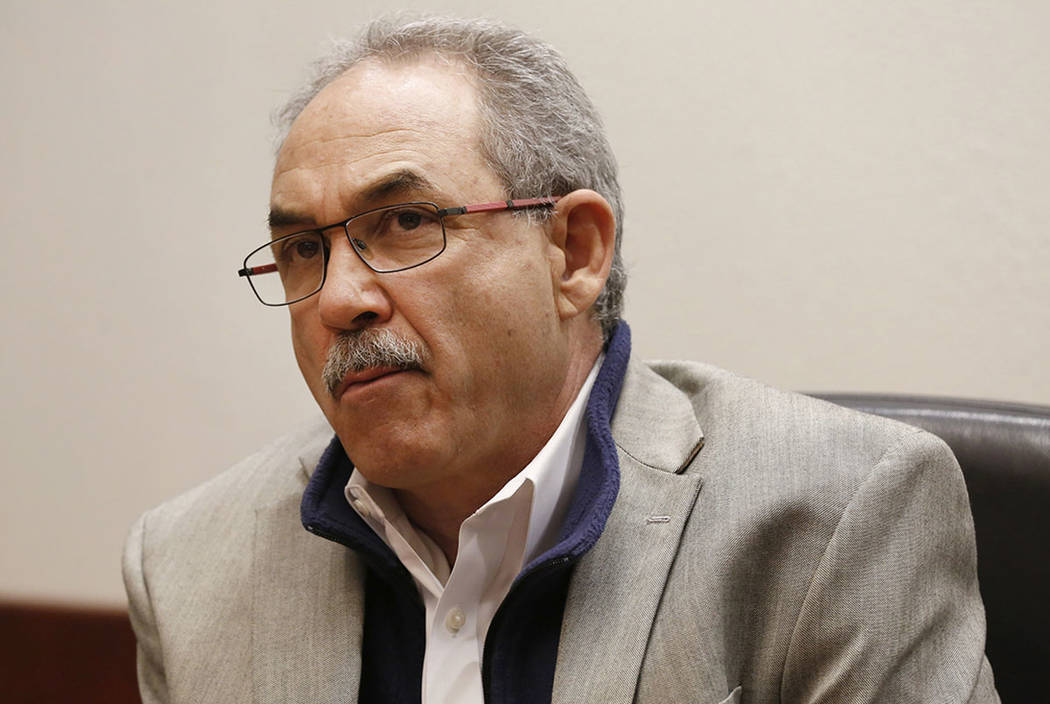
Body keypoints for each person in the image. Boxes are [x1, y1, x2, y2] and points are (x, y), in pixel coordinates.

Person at [122, 15, 999, 704]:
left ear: (575, 252)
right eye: (303, 250)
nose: (339, 299)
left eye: (407, 222)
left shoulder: (836, 518)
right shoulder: (189, 567)